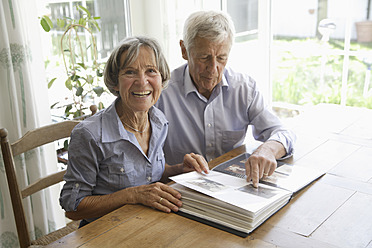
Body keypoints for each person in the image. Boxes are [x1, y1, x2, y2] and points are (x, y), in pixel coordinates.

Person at [59, 36, 209, 227]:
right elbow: (73, 208)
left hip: (147, 224)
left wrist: (179, 170)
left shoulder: (158, 121)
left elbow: (148, 173)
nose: (142, 81)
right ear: (115, 82)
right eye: (130, 72)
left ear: (161, 78)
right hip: (105, 234)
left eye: (151, 71)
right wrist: (132, 195)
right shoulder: (89, 135)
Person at [156, 10, 296, 188]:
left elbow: (284, 133)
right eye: (204, 57)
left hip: (233, 188)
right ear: (184, 50)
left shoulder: (244, 88)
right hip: (179, 191)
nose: (213, 68)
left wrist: (268, 149)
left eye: (221, 58)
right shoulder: (161, 92)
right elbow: (147, 164)